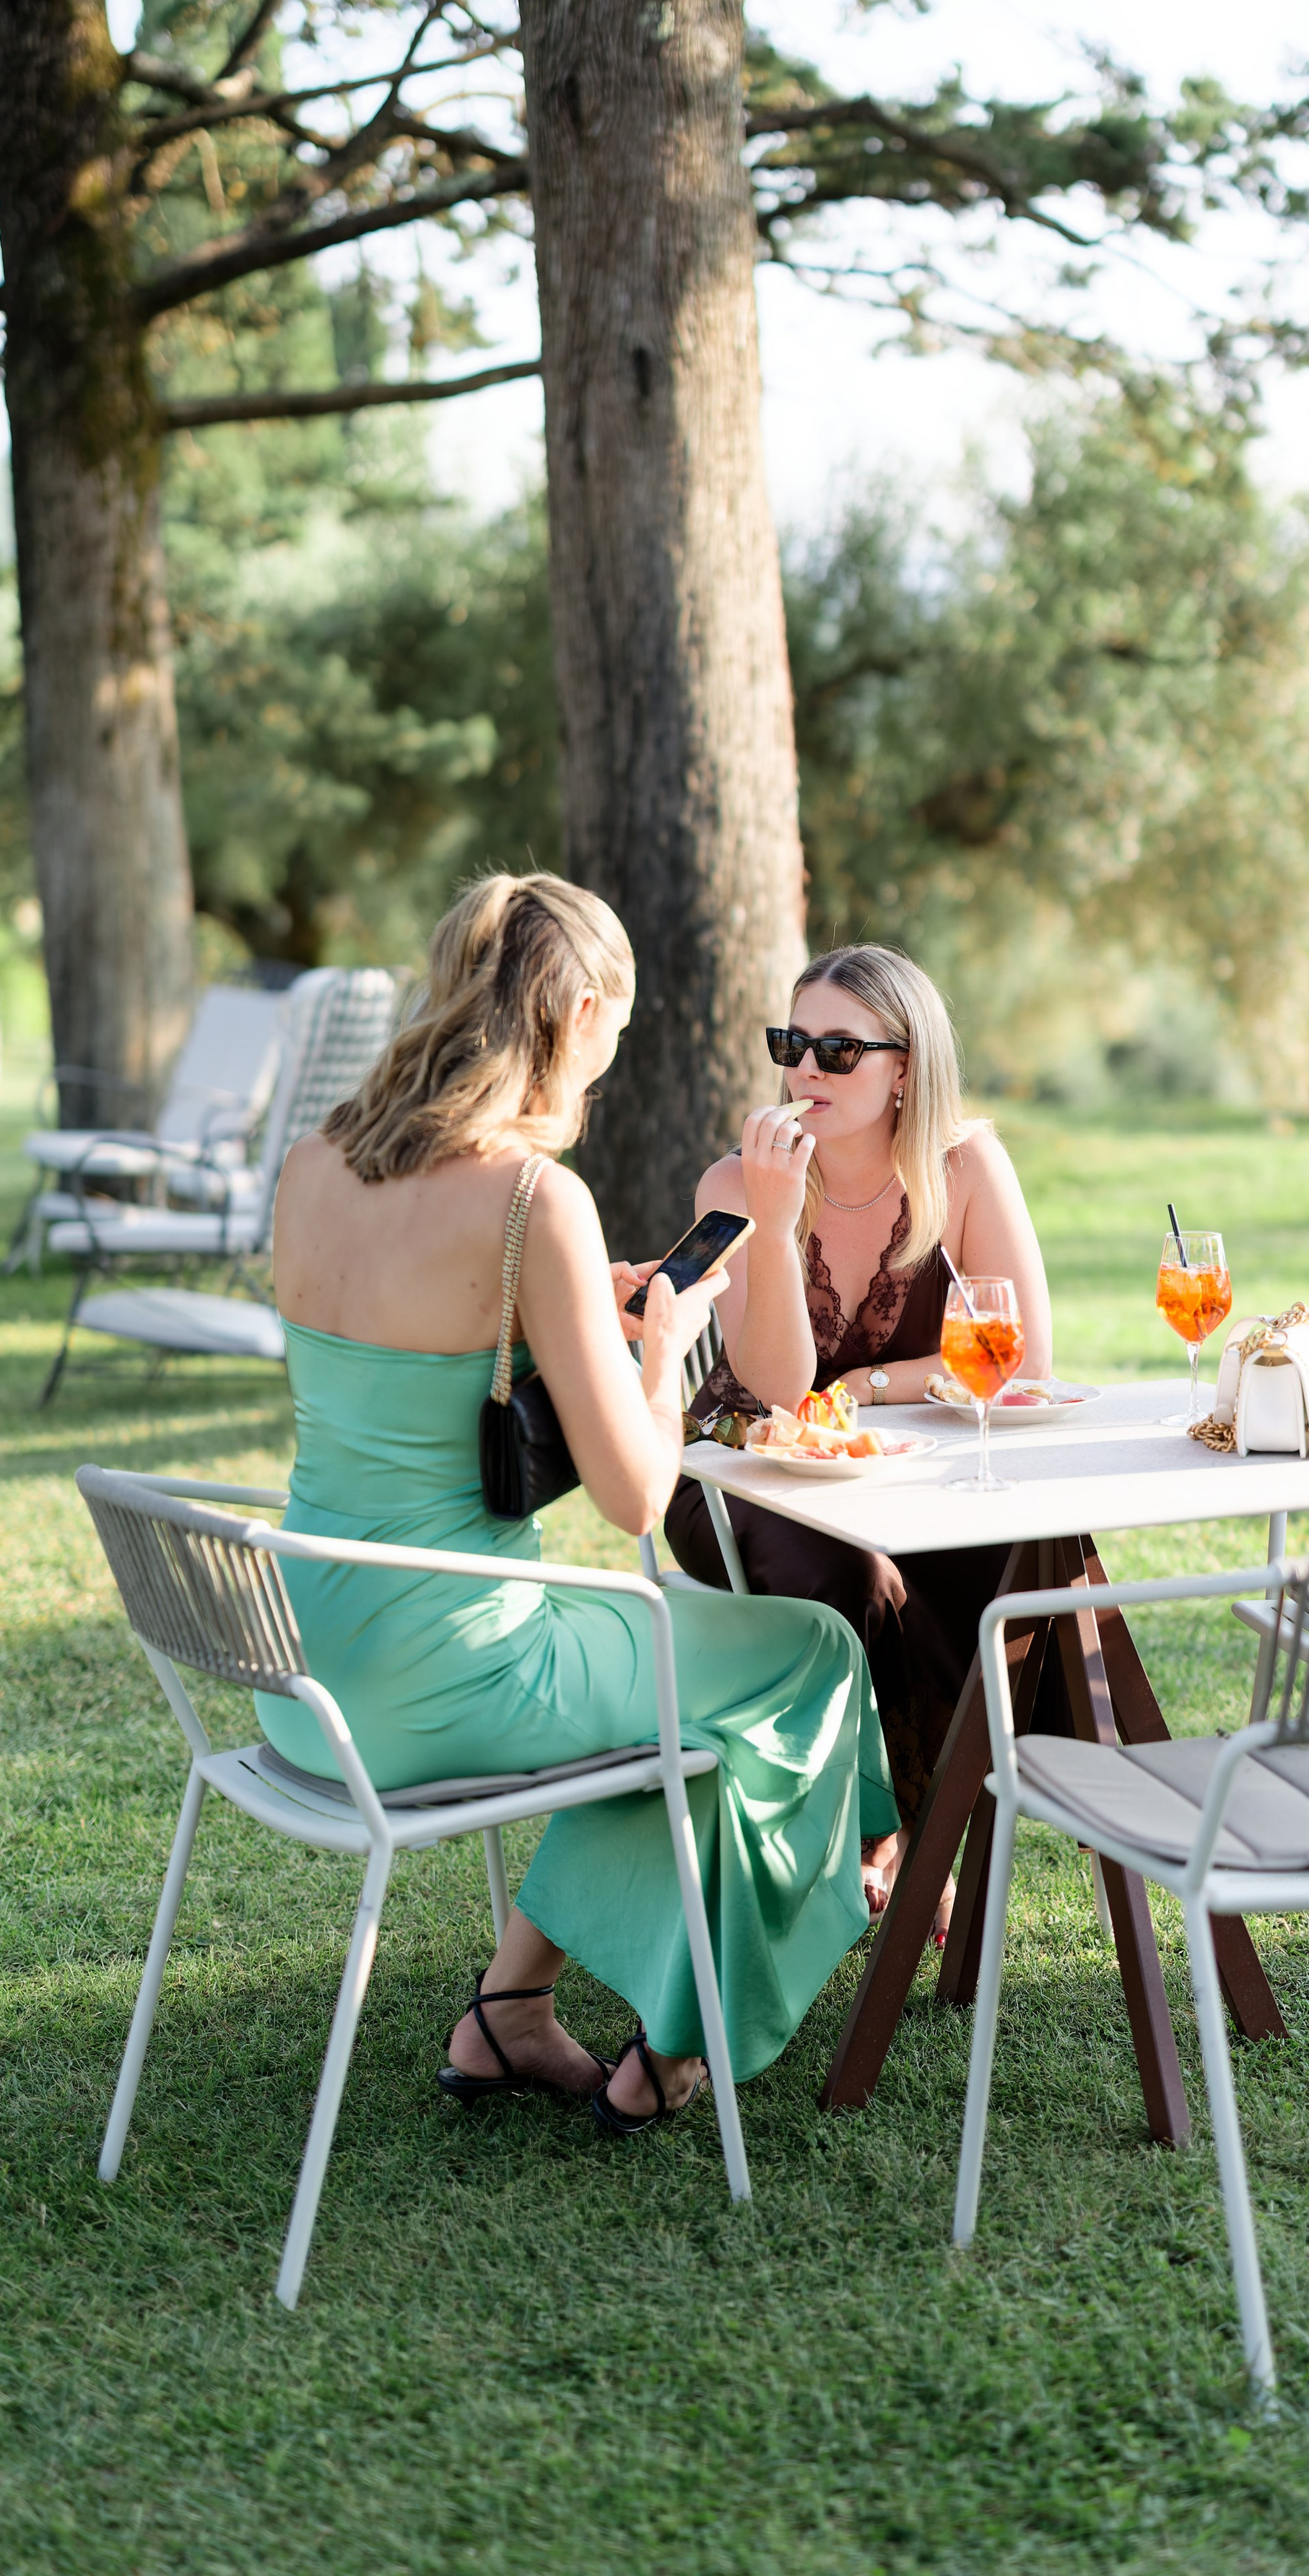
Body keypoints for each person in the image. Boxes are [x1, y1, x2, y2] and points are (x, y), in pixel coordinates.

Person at [268, 873, 895, 2136]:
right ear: (588, 1007)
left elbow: (410, 1377)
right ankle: (683, 2032)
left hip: (310, 1667)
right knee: (805, 1655)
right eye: (614, 1034)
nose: (609, 1066)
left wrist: (576, 1331)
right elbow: (635, 1495)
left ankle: (513, 2011)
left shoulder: (310, 1160)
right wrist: (659, 1353)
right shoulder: (529, 1200)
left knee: (667, 1691)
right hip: (456, 1673)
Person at [662, 944, 1052, 1932]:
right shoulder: (736, 1184)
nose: (805, 1074)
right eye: (793, 1045)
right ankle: (898, 1830)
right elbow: (779, 1389)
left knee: (1019, 1556)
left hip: (898, 1472)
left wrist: (867, 1385)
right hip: (738, 1468)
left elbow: (1023, 1359)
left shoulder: (964, 1168)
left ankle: (931, 1828)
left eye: (840, 1051)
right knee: (861, 1580)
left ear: (906, 1067)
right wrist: (775, 1214)